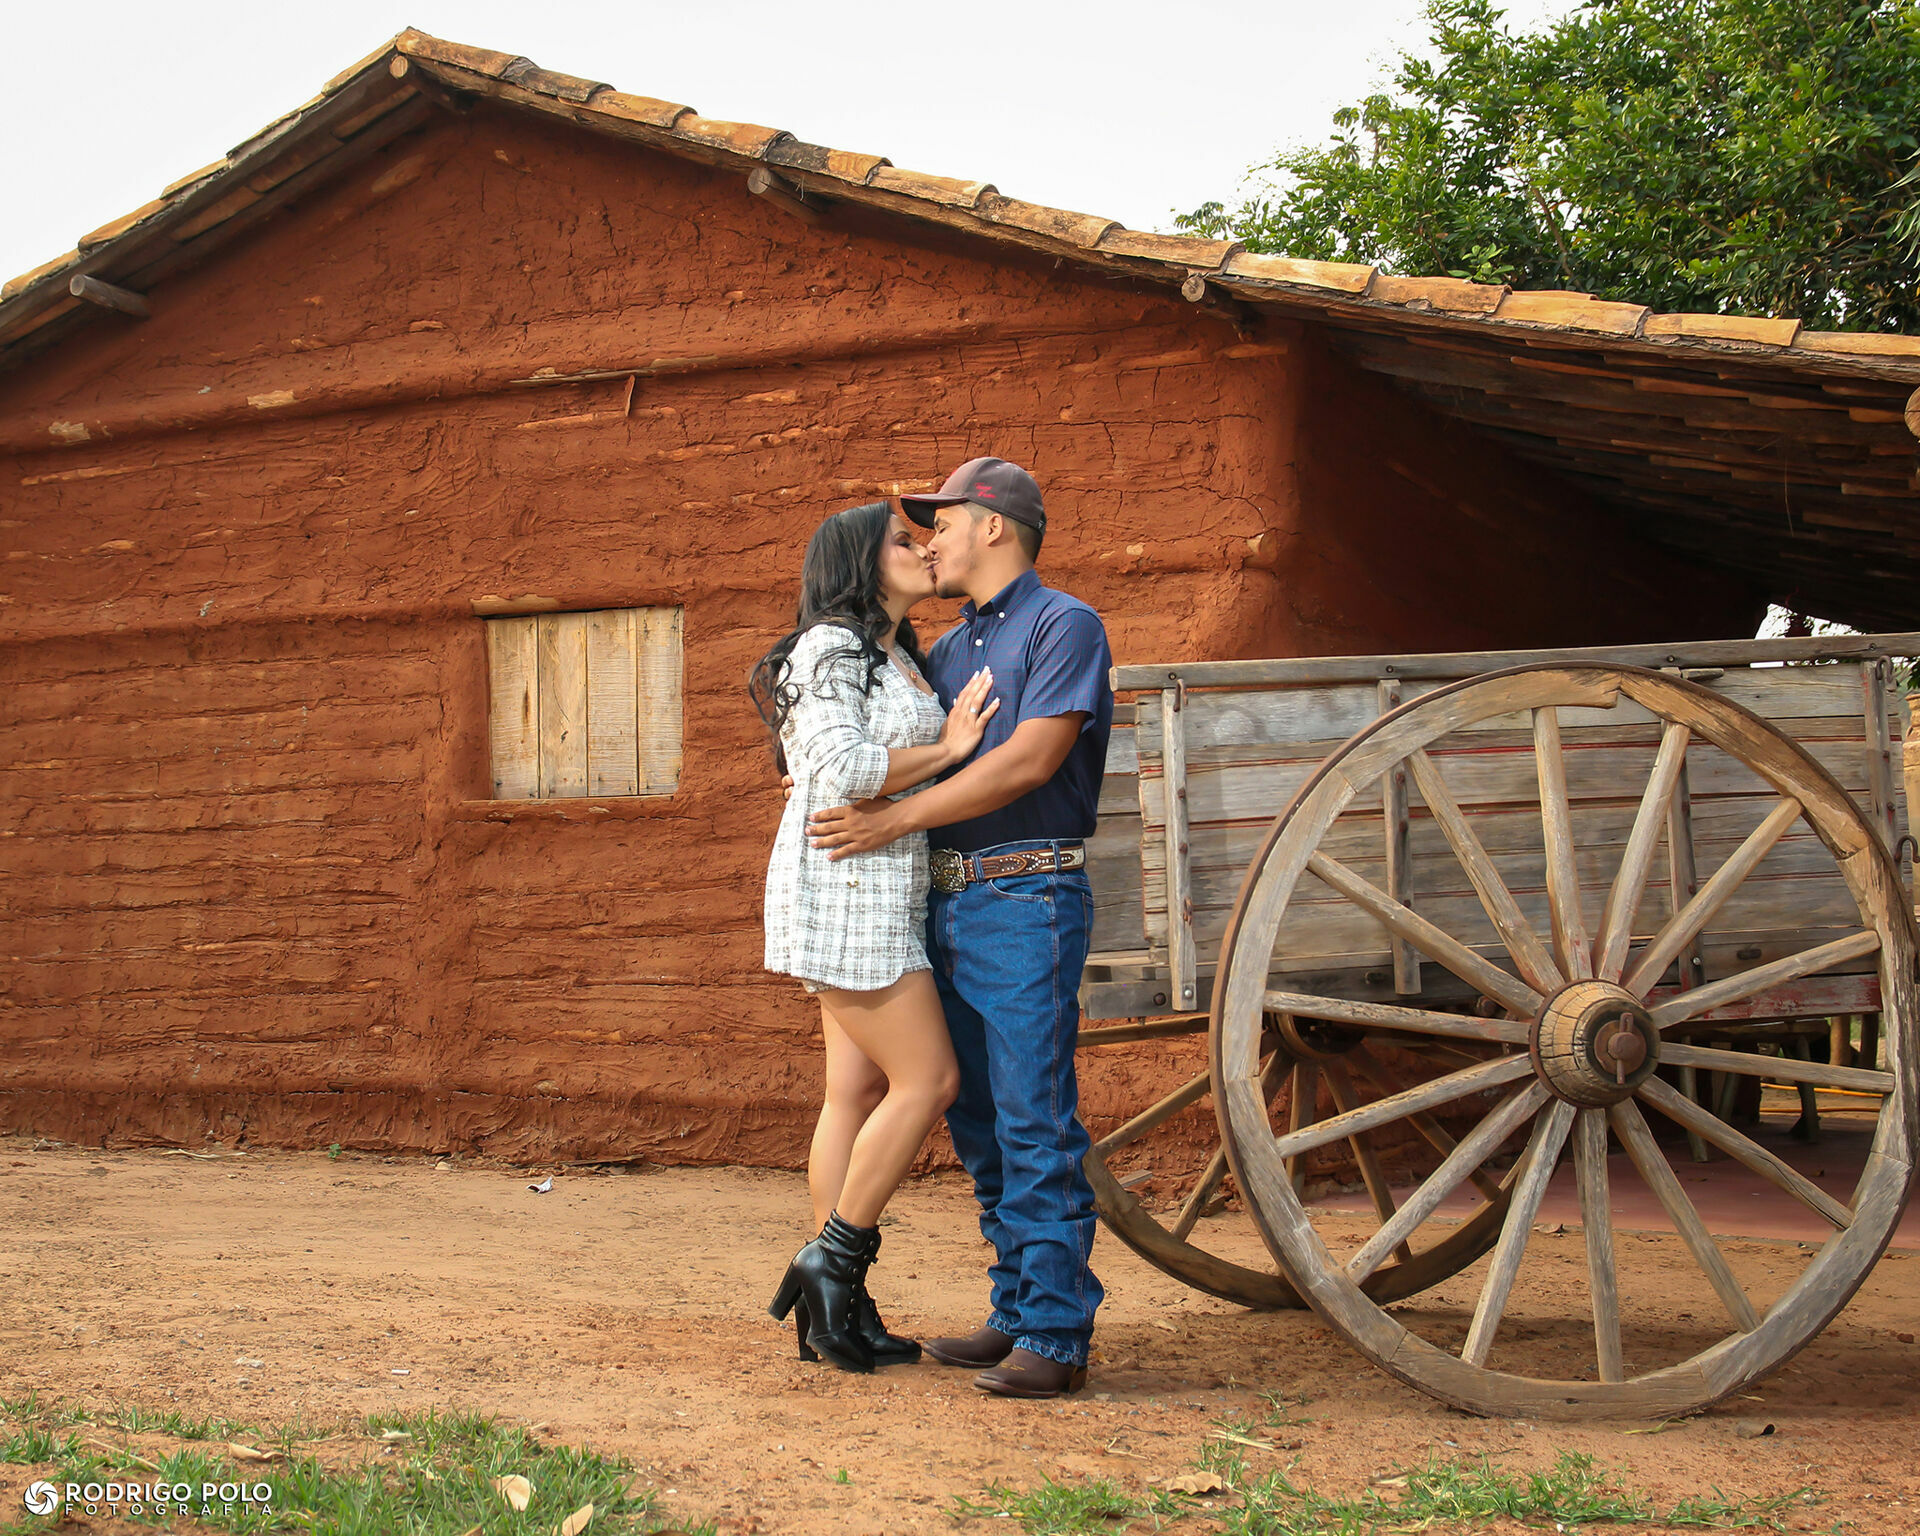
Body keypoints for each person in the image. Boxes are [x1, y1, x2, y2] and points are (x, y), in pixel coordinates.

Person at [807, 458, 1114, 1399]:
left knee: (1032, 1116)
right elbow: (902, 758)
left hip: (1025, 899)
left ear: (992, 525)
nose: (929, 537)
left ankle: (1057, 1336)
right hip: (945, 901)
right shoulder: (944, 651)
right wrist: (831, 775)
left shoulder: (1064, 625)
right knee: (979, 1122)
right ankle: (1018, 1308)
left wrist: (888, 818)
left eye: (939, 521)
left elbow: (1028, 761)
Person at [751, 501, 1000, 1374]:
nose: (923, 545)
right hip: (846, 892)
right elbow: (843, 773)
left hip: (880, 887)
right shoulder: (829, 647)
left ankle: (837, 1314)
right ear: (860, 562)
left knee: (852, 1092)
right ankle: (834, 1258)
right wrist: (953, 747)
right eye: (902, 540)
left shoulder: (894, 654)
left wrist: (944, 750)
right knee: (929, 1079)